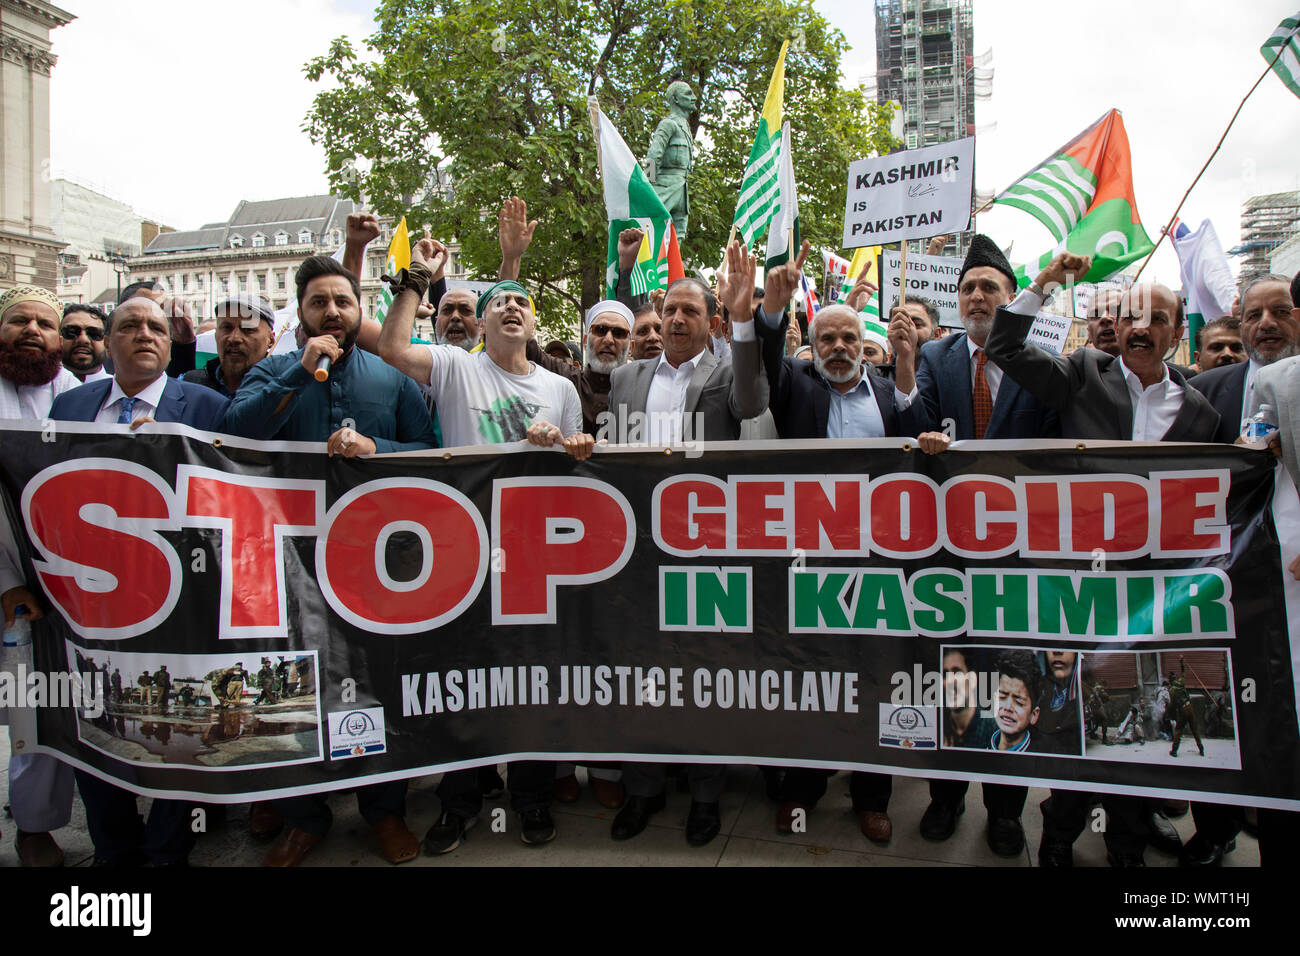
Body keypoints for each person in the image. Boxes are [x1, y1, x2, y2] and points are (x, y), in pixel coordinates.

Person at [219, 255, 432, 867]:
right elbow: (233, 432)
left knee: (375, 684)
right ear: (301, 313)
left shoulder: (392, 378)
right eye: (320, 302)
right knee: (287, 688)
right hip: (283, 562)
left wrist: (376, 447)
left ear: (359, 307)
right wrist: (298, 378)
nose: (333, 311)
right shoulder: (272, 371)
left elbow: (433, 449)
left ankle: (384, 812)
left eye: (343, 300)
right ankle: (304, 817)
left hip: (373, 564)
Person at [378, 238, 583, 854]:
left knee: (528, 685)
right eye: (500, 302)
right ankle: (460, 801)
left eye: (523, 301)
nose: (512, 308)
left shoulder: (561, 389)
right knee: (463, 683)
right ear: (482, 319)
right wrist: (417, 279)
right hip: (462, 556)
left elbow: (581, 468)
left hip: (531, 562)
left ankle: (531, 797)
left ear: (534, 321)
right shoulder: (455, 366)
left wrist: (562, 447)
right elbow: (390, 347)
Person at [746, 247, 923, 842]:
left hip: (880, 562)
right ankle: (802, 790)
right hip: (809, 561)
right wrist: (772, 307)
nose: (841, 348)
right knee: (811, 677)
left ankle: (872, 796)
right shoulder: (795, 385)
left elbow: (917, 446)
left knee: (876, 676)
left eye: (851, 338)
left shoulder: (886, 387)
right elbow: (766, 360)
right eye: (829, 341)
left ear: (862, 342)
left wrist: (904, 367)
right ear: (815, 347)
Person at [600, 241, 769, 848]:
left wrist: (746, 312)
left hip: (707, 552)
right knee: (644, 671)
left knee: (704, 673)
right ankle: (642, 790)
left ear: (711, 323)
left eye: (689, 312)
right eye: (669, 310)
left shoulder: (727, 374)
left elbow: (753, 402)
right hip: (638, 554)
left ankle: (704, 795)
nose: (674, 320)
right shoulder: (624, 378)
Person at [910, 235, 1047, 857]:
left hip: (1018, 558)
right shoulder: (935, 359)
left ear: (1011, 297)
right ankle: (945, 798)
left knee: (1010, 680)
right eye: (968, 288)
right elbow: (919, 426)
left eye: (989, 287)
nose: (977, 296)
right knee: (954, 677)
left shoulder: (1039, 361)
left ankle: (1005, 810)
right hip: (947, 556)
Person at [0, 285, 81, 867]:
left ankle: (35, 828)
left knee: (40, 706)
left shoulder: (79, 400)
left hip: (59, 587)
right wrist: (6, 581)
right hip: (9, 581)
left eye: (44, 323)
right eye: (18, 320)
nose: (32, 330)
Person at [983, 256, 1220, 443]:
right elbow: (1004, 347)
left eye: (1155, 319)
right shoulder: (1082, 376)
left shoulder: (1200, 413)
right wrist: (1044, 284)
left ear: (1176, 335)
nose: (1140, 330)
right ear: (1118, 328)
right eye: (1130, 317)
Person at [48, 296, 228, 430]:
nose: (145, 335)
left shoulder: (210, 408)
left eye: (157, 329)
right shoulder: (67, 404)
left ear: (169, 347)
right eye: (129, 326)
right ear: (107, 344)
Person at [1192, 275, 1299, 442]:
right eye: (1254, 315)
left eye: (1281, 312)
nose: (1266, 324)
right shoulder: (1199, 392)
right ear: (1242, 329)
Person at [183, 294, 276, 397]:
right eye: (227, 328)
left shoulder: (285, 393)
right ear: (215, 335)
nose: (234, 338)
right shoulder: (189, 384)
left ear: (271, 339)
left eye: (248, 329)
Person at [990, 651, 1041, 752]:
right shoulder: (979, 743)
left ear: (1034, 715)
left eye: (1019, 702)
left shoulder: (1042, 759)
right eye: (1002, 697)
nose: (1008, 707)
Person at [1033, 651, 1081, 756]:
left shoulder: (1081, 690)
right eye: (1050, 646)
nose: (1057, 651)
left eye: (1067, 645)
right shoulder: (1038, 687)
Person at [59, 304, 111, 382]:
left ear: (107, 343)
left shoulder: (122, 389)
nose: (83, 339)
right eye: (72, 332)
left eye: (93, 333)